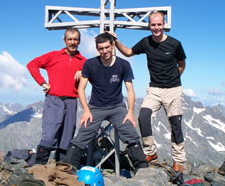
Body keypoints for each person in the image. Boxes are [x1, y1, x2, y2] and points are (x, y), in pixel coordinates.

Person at [114, 11, 187, 173]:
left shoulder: (175, 44)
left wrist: (174, 78)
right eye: (153, 25)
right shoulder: (146, 42)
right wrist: (116, 41)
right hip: (154, 89)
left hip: (173, 90)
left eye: (159, 24)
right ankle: (150, 152)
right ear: (149, 26)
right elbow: (128, 52)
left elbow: (181, 64)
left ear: (164, 24)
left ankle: (178, 160)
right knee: (143, 116)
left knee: (175, 124)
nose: (156, 28)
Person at [64, 32, 148, 172]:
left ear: (113, 45)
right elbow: (81, 88)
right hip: (95, 107)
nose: (105, 51)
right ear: (97, 49)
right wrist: (86, 110)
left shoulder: (123, 64)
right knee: (82, 135)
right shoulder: (90, 64)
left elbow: (130, 90)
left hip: (117, 107)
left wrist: (130, 112)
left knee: (131, 135)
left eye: (107, 47)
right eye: (101, 48)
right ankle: (69, 168)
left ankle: (143, 169)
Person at [27, 28, 86, 165]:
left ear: (79, 41)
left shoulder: (83, 61)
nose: (72, 42)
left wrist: (83, 72)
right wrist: (42, 82)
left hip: (72, 101)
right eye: (69, 39)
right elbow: (32, 65)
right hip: (54, 100)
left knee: (67, 138)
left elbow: (94, 75)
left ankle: (61, 171)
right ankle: (38, 169)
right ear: (64, 40)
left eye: (75, 39)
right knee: (49, 136)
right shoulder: (54, 56)